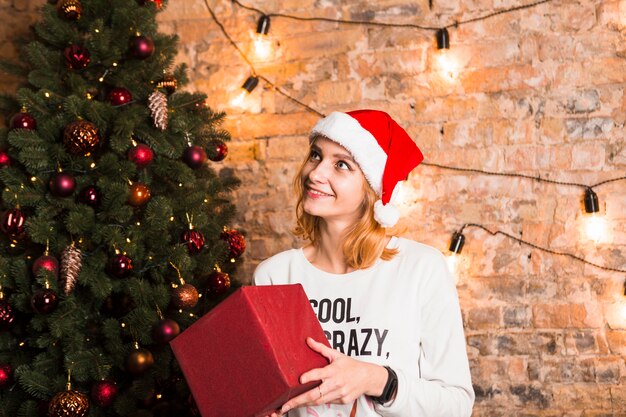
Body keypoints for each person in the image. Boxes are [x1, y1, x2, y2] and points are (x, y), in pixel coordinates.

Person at [254, 110, 474, 417]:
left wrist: (376, 379)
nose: (316, 173)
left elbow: (456, 405)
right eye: (316, 156)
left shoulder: (422, 268)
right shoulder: (275, 275)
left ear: (372, 189)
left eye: (341, 164)